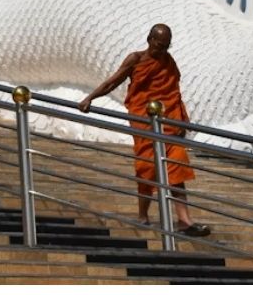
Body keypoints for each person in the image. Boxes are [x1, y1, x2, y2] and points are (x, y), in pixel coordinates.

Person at [79, 23, 210, 237]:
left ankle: (185, 221)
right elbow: (113, 82)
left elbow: (173, 92)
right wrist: (90, 98)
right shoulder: (136, 59)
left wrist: (180, 120)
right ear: (149, 40)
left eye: (166, 47)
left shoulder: (168, 62)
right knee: (147, 168)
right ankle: (143, 215)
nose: (162, 51)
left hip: (169, 123)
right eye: (159, 45)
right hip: (144, 120)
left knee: (175, 165)